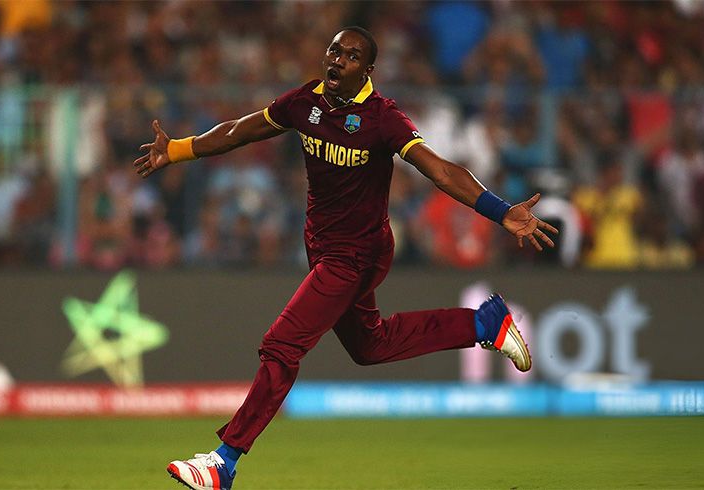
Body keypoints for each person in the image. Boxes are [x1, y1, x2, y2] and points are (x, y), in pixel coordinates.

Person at [134, 26, 558, 490]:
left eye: (352, 56)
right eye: (334, 51)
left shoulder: (383, 118)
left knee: (282, 345)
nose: (338, 60)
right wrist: (176, 150)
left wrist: (501, 212)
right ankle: (483, 324)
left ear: (368, 70)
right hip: (323, 247)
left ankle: (224, 461)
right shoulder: (304, 103)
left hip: (357, 254)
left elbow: (439, 170)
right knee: (369, 346)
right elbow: (239, 132)